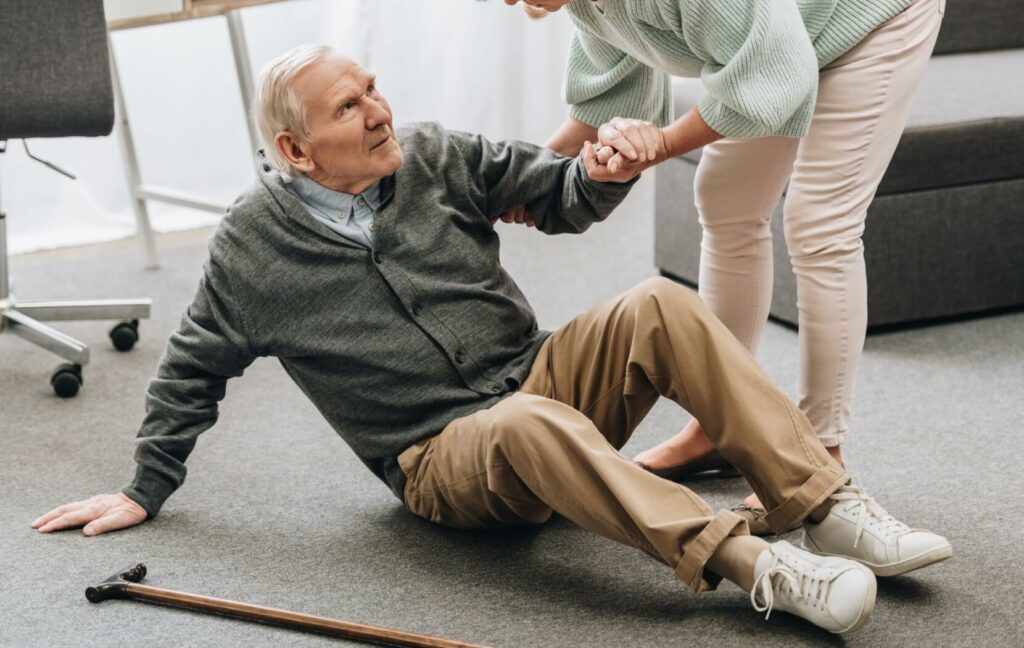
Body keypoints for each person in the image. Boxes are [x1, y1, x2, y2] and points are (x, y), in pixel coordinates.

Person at [31, 45, 950, 635]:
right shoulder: (250, 249)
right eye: (350, 107)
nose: (380, 110)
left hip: (537, 378)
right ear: (297, 151)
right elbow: (191, 368)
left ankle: (820, 505)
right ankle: (760, 565)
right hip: (441, 459)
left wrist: (604, 169)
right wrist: (143, 487)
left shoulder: (429, 152)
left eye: (374, 88)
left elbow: (555, 195)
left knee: (656, 305)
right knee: (525, 424)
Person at [501, 0, 945, 534]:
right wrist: (513, 181)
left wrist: (660, 146)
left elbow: (772, 75)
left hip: (872, 20)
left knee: (818, 225)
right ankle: (717, 430)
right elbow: (601, 106)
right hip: (785, 38)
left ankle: (821, 457)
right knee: (727, 201)